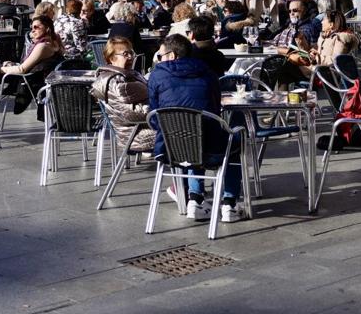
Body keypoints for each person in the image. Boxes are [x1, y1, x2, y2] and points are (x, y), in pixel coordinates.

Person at [148, 33, 245, 223]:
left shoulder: (156, 75)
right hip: (207, 144)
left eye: (160, 56)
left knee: (190, 138)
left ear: (172, 55)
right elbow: (215, 109)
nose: (158, 60)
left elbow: (153, 115)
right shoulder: (208, 73)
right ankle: (229, 204)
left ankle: (196, 199)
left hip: (168, 149)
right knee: (233, 140)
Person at [91, 34, 155, 154]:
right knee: (185, 132)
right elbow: (130, 114)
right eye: (125, 54)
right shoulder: (116, 81)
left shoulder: (129, 75)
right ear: (111, 58)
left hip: (141, 128)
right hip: (136, 135)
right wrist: (160, 109)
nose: (130, 57)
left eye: (131, 53)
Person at [0, 15, 64, 115]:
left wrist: (2, 69)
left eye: (36, 27)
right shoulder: (54, 41)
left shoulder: (42, 46)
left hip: (31, 84)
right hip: (40, 81)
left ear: (47, 29)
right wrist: (12, 65)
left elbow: (22, 69)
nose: (32, 31)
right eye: (31, 28)